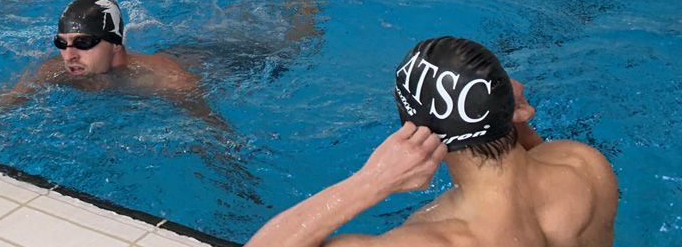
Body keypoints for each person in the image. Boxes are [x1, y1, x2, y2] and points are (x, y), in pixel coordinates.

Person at [244, 36, 617, 247]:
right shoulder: (584, 165)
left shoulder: (431, 241)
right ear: (511, 108)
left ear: (412, 129)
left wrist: (371, 182)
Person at [0, 0, 220, 147]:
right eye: (61, 43)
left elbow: (214, 132)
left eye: (84, 43)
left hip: (217, 56)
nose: (69, 55)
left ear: (116, 43)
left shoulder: (167, 79)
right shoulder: (55, 72)